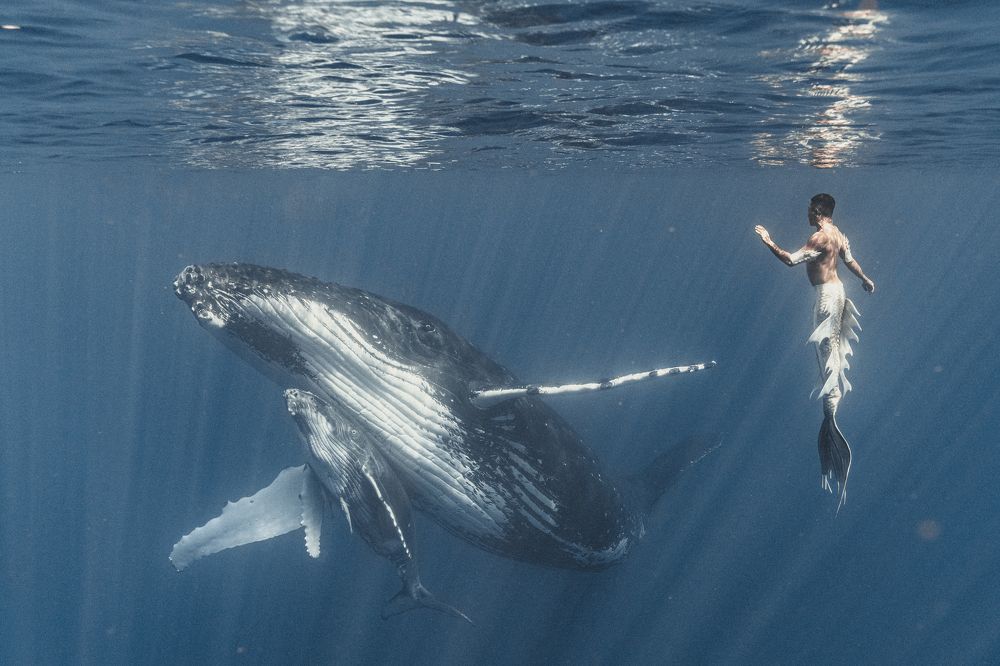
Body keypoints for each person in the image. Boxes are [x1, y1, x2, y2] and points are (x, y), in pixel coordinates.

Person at [754, 193, 875, 511]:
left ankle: (831, 414)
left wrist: (768, 240)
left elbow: (791, 260)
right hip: (839, 292)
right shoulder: (837, 234)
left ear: (818, 211)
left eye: (809, 208)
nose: (806, 212)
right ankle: (831, 410)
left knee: (827, 351)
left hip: (825, 297)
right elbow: (848, 261)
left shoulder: (820, 236)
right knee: (834, 348)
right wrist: (865, 279)